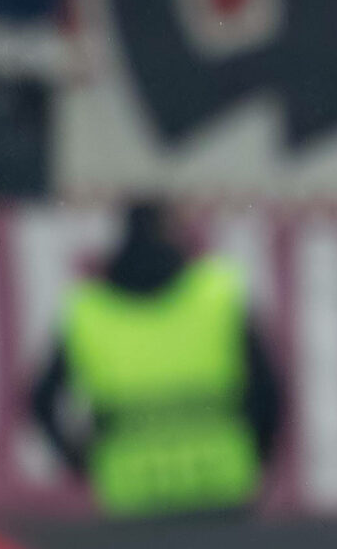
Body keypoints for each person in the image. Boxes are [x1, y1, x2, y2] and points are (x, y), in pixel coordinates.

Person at [28, 199, 284, 517]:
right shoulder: (217, 295)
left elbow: (41, 400)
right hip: (220, 482)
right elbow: (268, 391)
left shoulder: (87, 311)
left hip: (130, 488)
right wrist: (256, 456)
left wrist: (80, 462)